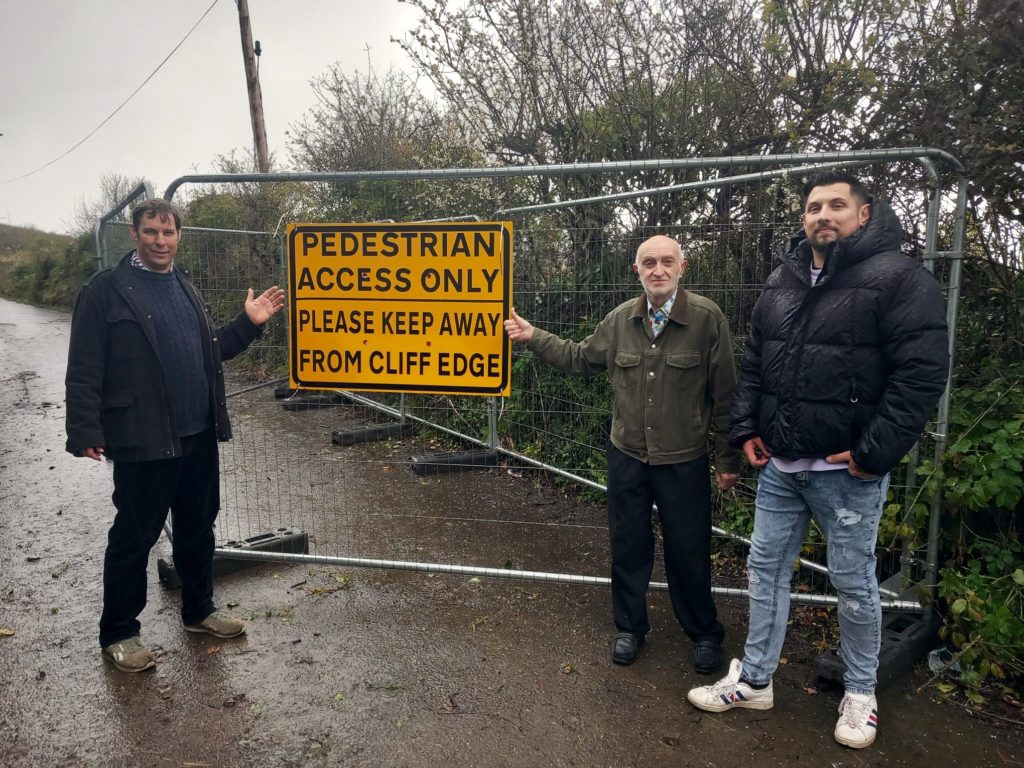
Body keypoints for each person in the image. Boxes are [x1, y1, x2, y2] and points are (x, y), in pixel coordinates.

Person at [686, 171, 950, 749]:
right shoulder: (782, 280)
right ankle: (755, 680)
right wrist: (748, 429)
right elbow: (755, 362)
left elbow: (921, 377)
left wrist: (871, 453)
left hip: (848, 477)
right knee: (764, 574)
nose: (822, 214)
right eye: (813, 206)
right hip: (781, 469)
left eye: (837, 204)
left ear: (864, 214)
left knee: (855, 585)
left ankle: (860, 694)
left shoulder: (900, 280)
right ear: (803, 217)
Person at [65, 198, 285, 673]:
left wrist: (249, 323)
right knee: (134, 536)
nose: (160, 241)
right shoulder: (106, 291)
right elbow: (84, 367)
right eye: (151, 233)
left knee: (198, 527)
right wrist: (84, 428)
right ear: (135, 235)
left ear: (178, 236)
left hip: (198, 433)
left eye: (168, 233)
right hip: (143, 437)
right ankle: (120, 632)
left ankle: (200, 610)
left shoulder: (184, 286)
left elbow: (210, 351)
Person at [504, 235, 740, 674]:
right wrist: (533, 335)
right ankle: (630, 628)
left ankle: (704, 633)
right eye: (648, 262)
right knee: (628, 545)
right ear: (637, 271)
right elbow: (579, 358)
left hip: (683, 459)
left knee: (689, 548)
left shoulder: (708, 320)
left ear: (682, 267)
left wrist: (728, 460)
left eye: (667, 261)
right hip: (627, 455)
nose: (658, 270)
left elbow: (726, 395)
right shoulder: (619, 321)